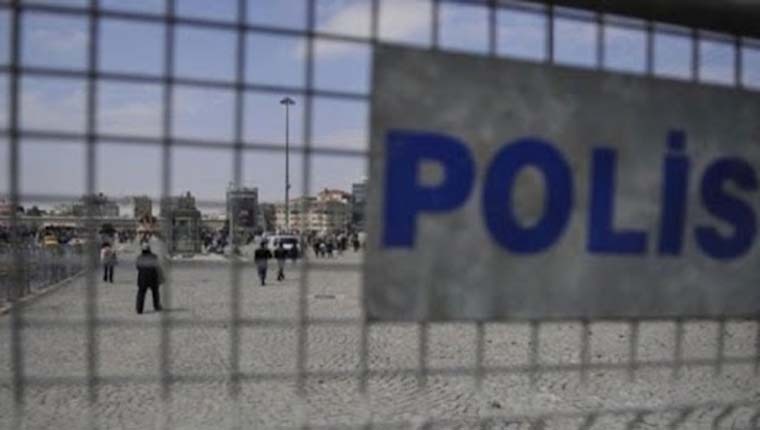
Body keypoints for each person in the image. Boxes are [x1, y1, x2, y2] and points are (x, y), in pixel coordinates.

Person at [136, 242, 163, 314]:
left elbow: (138, 267)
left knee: (141, 293)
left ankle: (139, 308)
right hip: (153, 277)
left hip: (142, 278)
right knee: (155, 293)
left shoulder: (139, 257)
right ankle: (156, 306)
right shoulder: (154, 257)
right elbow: (157, 267)